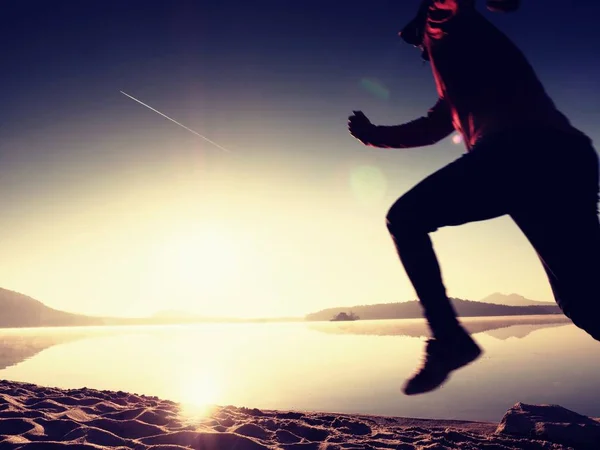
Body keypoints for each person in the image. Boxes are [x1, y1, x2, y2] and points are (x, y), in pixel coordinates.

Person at [348, 0, 600, 396]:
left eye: (417, 44)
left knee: (406, 217)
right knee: (586, 302)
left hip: (521, 153)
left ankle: (450, 339)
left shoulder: (443, 19)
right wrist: (372, 135)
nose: (419, 52)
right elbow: (430, 128)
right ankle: (451, 339)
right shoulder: (458, 89)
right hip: (566, 159)